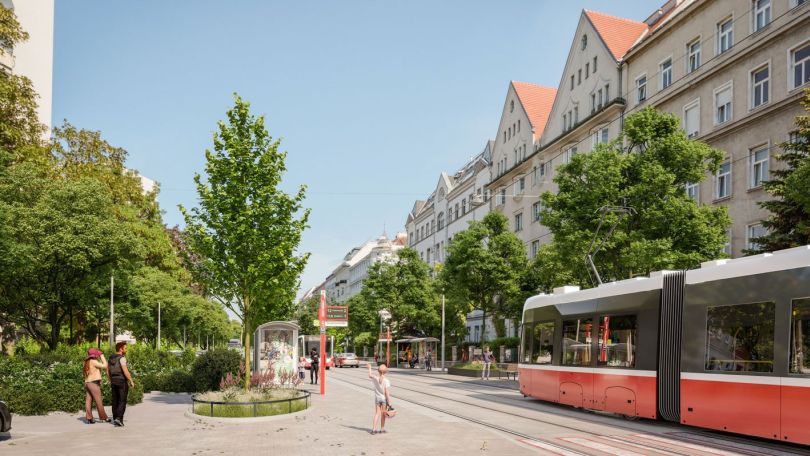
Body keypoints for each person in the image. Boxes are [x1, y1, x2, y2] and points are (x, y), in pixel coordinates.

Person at [107, 342, 134, 427]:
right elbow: (125, 371)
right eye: (125, 348)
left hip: (113, 380)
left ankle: (115, 418)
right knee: (122, 400)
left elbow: (108, 371)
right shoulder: (122, 358)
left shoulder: (110, 358)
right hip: (121, 381)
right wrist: (131, 380)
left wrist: (110, 380)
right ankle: (119, 418)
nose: (126, 350)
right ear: (120, 349)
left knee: (115, 400)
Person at [83, 348, 110, 424]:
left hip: (88, 383)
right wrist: (102, 355)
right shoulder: (93, 361)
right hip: (93, 383)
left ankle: (89, 418)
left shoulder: (86, 361)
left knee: (88, 401)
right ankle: (104, 418)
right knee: (99, 401)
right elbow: (105, 365)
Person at [367, 362, 392, 434]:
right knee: (383, 414)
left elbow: (370, 375)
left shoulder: (375, 378)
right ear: (386, 372)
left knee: (377, 413)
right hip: (384, 399)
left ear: (378, 371)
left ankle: (374, 429)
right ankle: (382, 429)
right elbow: (387, 393)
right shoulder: (386, 381)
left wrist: (369, 368)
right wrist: (389, 403)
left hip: (377, 399)